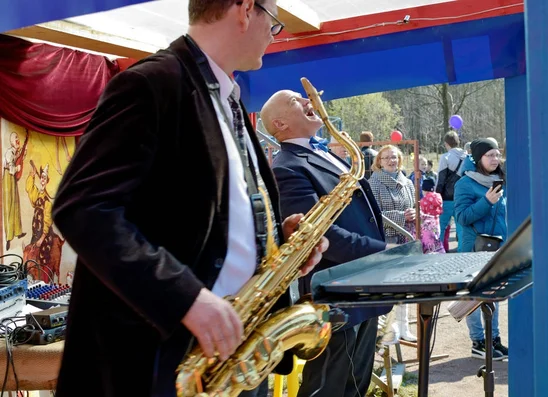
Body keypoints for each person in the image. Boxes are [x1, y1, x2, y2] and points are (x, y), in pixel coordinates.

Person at [50, 1, 328, 396]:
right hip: (158, 363)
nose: (274, 33)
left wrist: (277, 242)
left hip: (229, 354)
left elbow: (200, 212)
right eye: (275, 22)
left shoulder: (226, 95)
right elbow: (83, 207)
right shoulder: (151, 83)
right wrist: (185, 298)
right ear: (246, 9)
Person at [260, 89, 392, 397]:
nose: (309, 101)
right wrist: (383, 254)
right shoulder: (286, 166)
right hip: (336, 293)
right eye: (296, 101)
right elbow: (319, 234)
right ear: (280, 124)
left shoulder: (326, 153)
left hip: (362, 288)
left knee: (355, 386)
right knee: (329, 389)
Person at [454, 138, 509, 360]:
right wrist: (486, 201)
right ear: (478, 158)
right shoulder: (465, 184)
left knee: (493, 295)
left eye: (497, 154)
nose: (495, 159)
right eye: (490, 155)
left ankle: (493, 339)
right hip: (473, 249)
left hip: (497, 248)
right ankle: (478, 341)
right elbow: (462, 217)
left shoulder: (500, 180)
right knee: (475, 297)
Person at [368, 145, 417, 343]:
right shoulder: (374, 183)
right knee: (387, 287)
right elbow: (372, 216)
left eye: (394, 157)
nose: (391, 161)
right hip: (385, 240)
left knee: (405, 286)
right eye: (386, 157)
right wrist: (401, 217)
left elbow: (412, 207)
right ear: (379, 161)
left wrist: (413, 214)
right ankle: (386, 331)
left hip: (406, 240)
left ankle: (404, 327)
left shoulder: (407, 183)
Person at [435, 131, 466, 252]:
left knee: (441, 227)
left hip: (446, 198)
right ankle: (462, 252)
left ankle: (440, 251)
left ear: (446, 143)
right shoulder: (467, 157)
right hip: (462, 198)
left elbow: (441, 179)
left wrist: (438, 195)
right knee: (461, 228)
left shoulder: (446, 157)